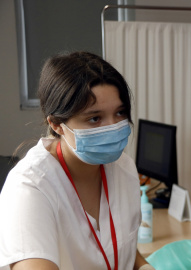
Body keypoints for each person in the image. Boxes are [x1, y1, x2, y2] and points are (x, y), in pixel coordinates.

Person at [0, 52, 155, 270]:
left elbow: (121, 248)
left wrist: (144, 267)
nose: (112, 127)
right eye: (95, 118)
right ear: (56, 124)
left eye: (120, 113)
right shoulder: (29, 188)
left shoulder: (123, 168)